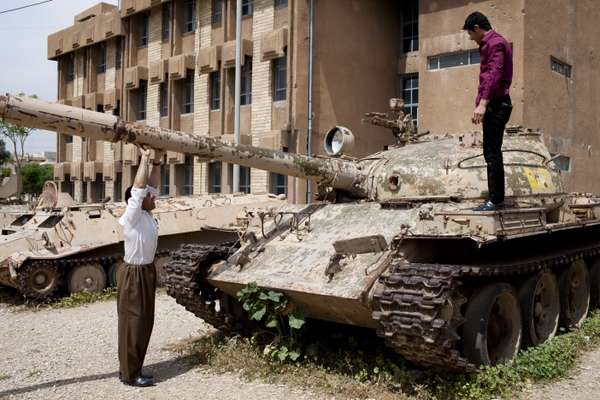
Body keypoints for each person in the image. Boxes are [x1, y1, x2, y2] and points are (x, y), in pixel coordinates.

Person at [117, 147, 164, 387]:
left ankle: (132, 366)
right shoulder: (133, 214)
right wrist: (144, 159)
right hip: (134, 273)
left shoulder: (146, 213)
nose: (154, 197)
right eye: (149, 195)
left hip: (146, 271)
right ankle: (130, 374)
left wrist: (157, 161)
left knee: (144, 320)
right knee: (133, 321)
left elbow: (151, 186)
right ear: (136, 200)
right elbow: (138, 189)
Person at [464, 11, 513, 211]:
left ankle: (496, 200)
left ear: (477, 28)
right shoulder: (490, 44)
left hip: (496, 104)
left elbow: (494, 74)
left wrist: (483, 104)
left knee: (492, 154)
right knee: (490, 152)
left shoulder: (495, 44)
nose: (470, 38)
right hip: (494, 104)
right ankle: (496, 199)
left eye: (470, 33)